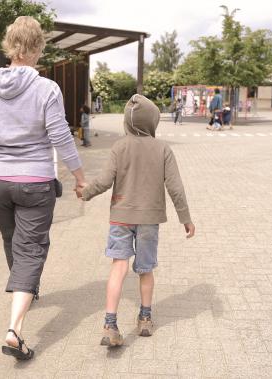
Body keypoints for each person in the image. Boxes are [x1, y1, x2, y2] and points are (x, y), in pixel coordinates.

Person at [0, 16, 86, 361]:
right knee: (30, 250)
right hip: (34, 182)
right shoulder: (46, 89)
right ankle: (15, 330)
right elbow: (60, 135)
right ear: (39, 48)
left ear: (8, 45)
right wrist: (80, 175)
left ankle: (25, 288)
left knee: (13, 241)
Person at [76, 94, 195, 347]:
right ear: (152, 120)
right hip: (149, 219)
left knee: (118, 267)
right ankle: (144, 318)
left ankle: (110, 324)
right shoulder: (163, 148)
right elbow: (175, 186)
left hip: (121, 216)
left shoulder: (120, 146)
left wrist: (85, 193)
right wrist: (185, 217)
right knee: (145, 269)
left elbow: (105, 180)